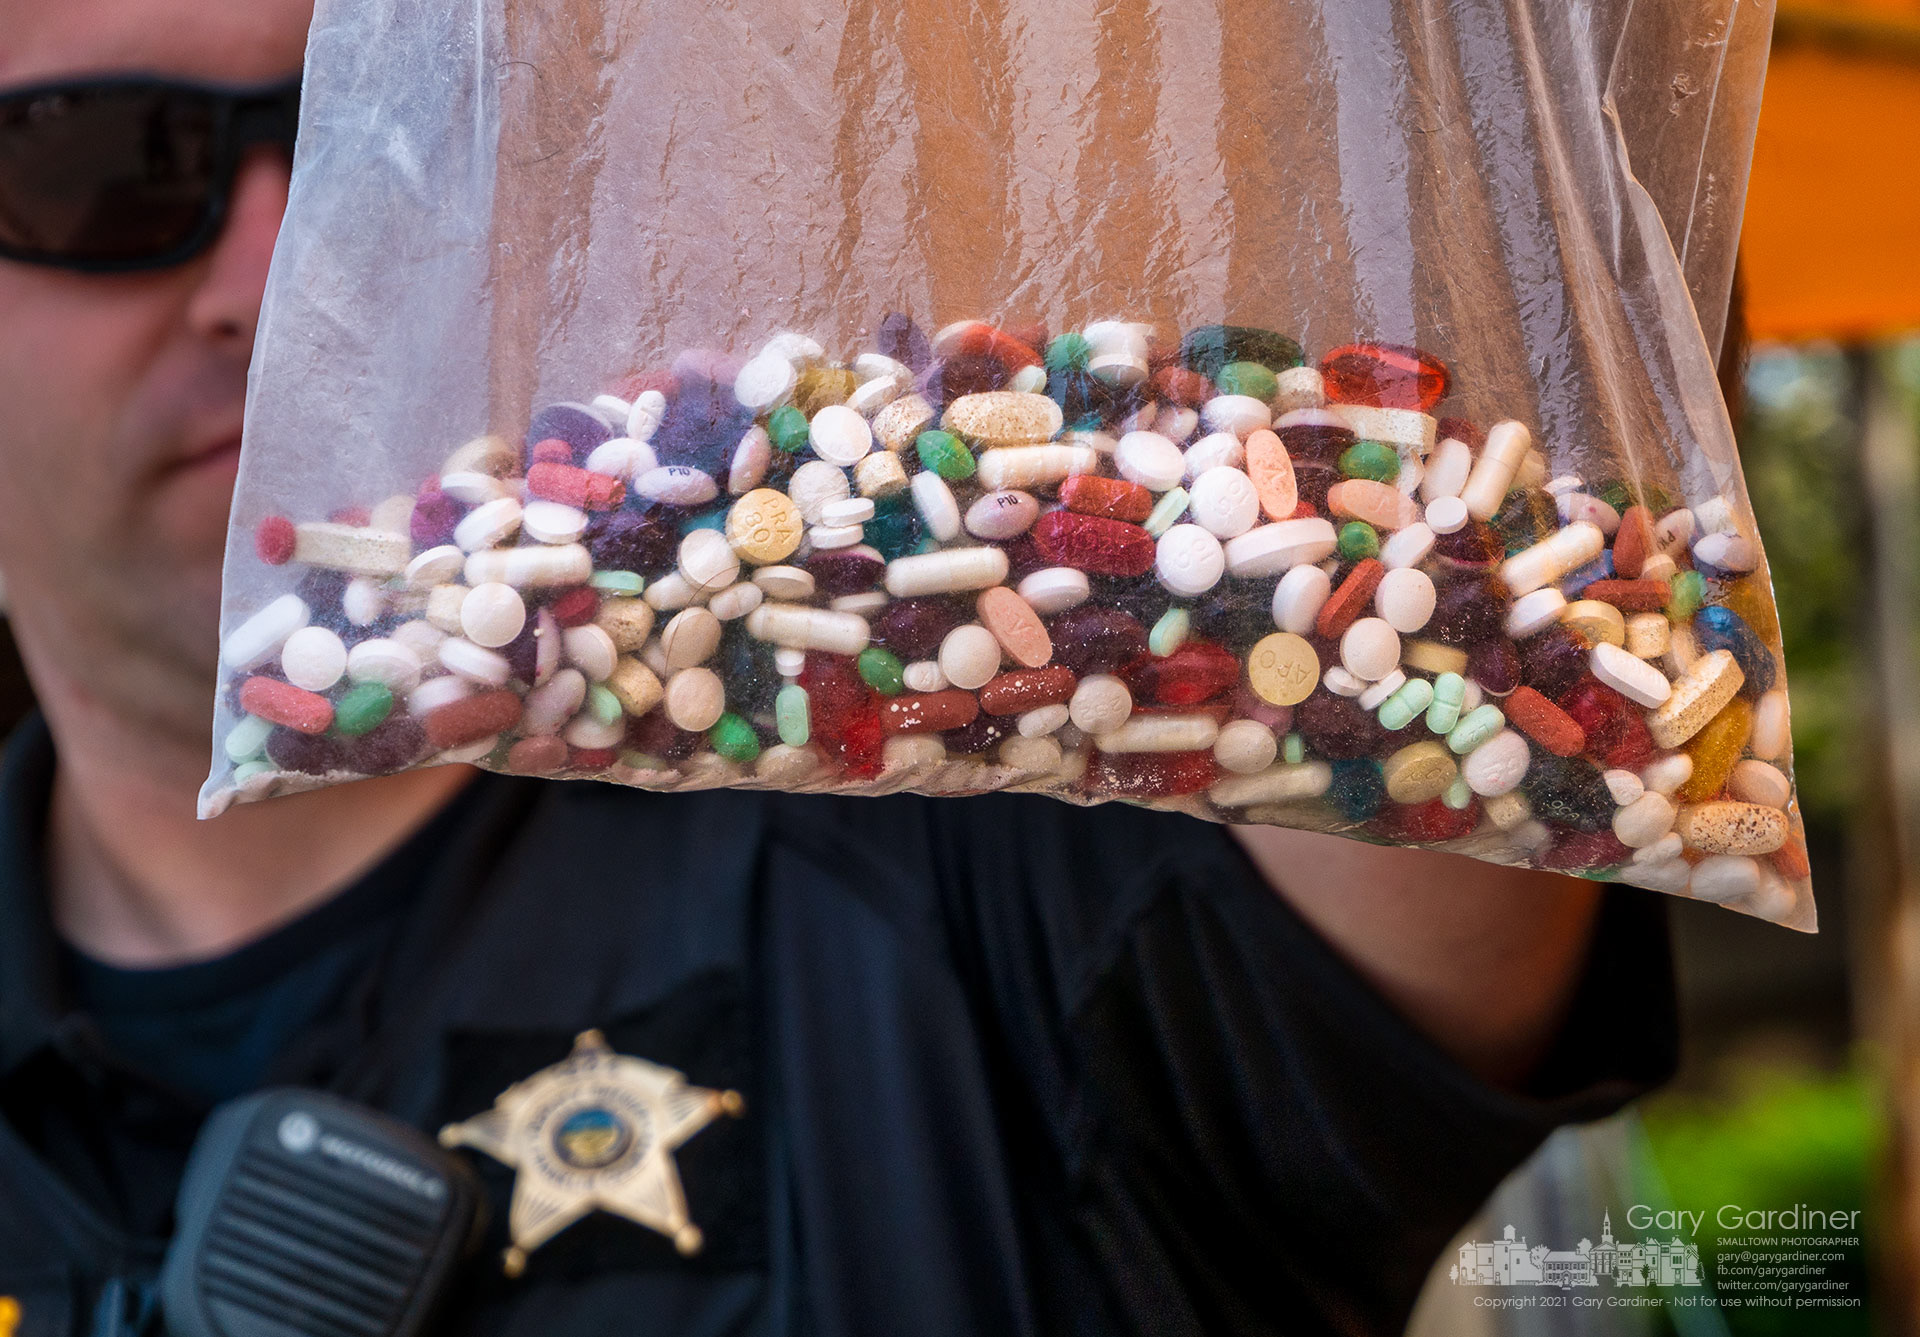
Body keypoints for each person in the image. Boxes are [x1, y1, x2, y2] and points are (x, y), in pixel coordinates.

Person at [0, 3, 1677, 1334]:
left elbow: (1495, 734)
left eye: (380, 140)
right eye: (90, 164)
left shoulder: (969, 808)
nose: (276, 267)